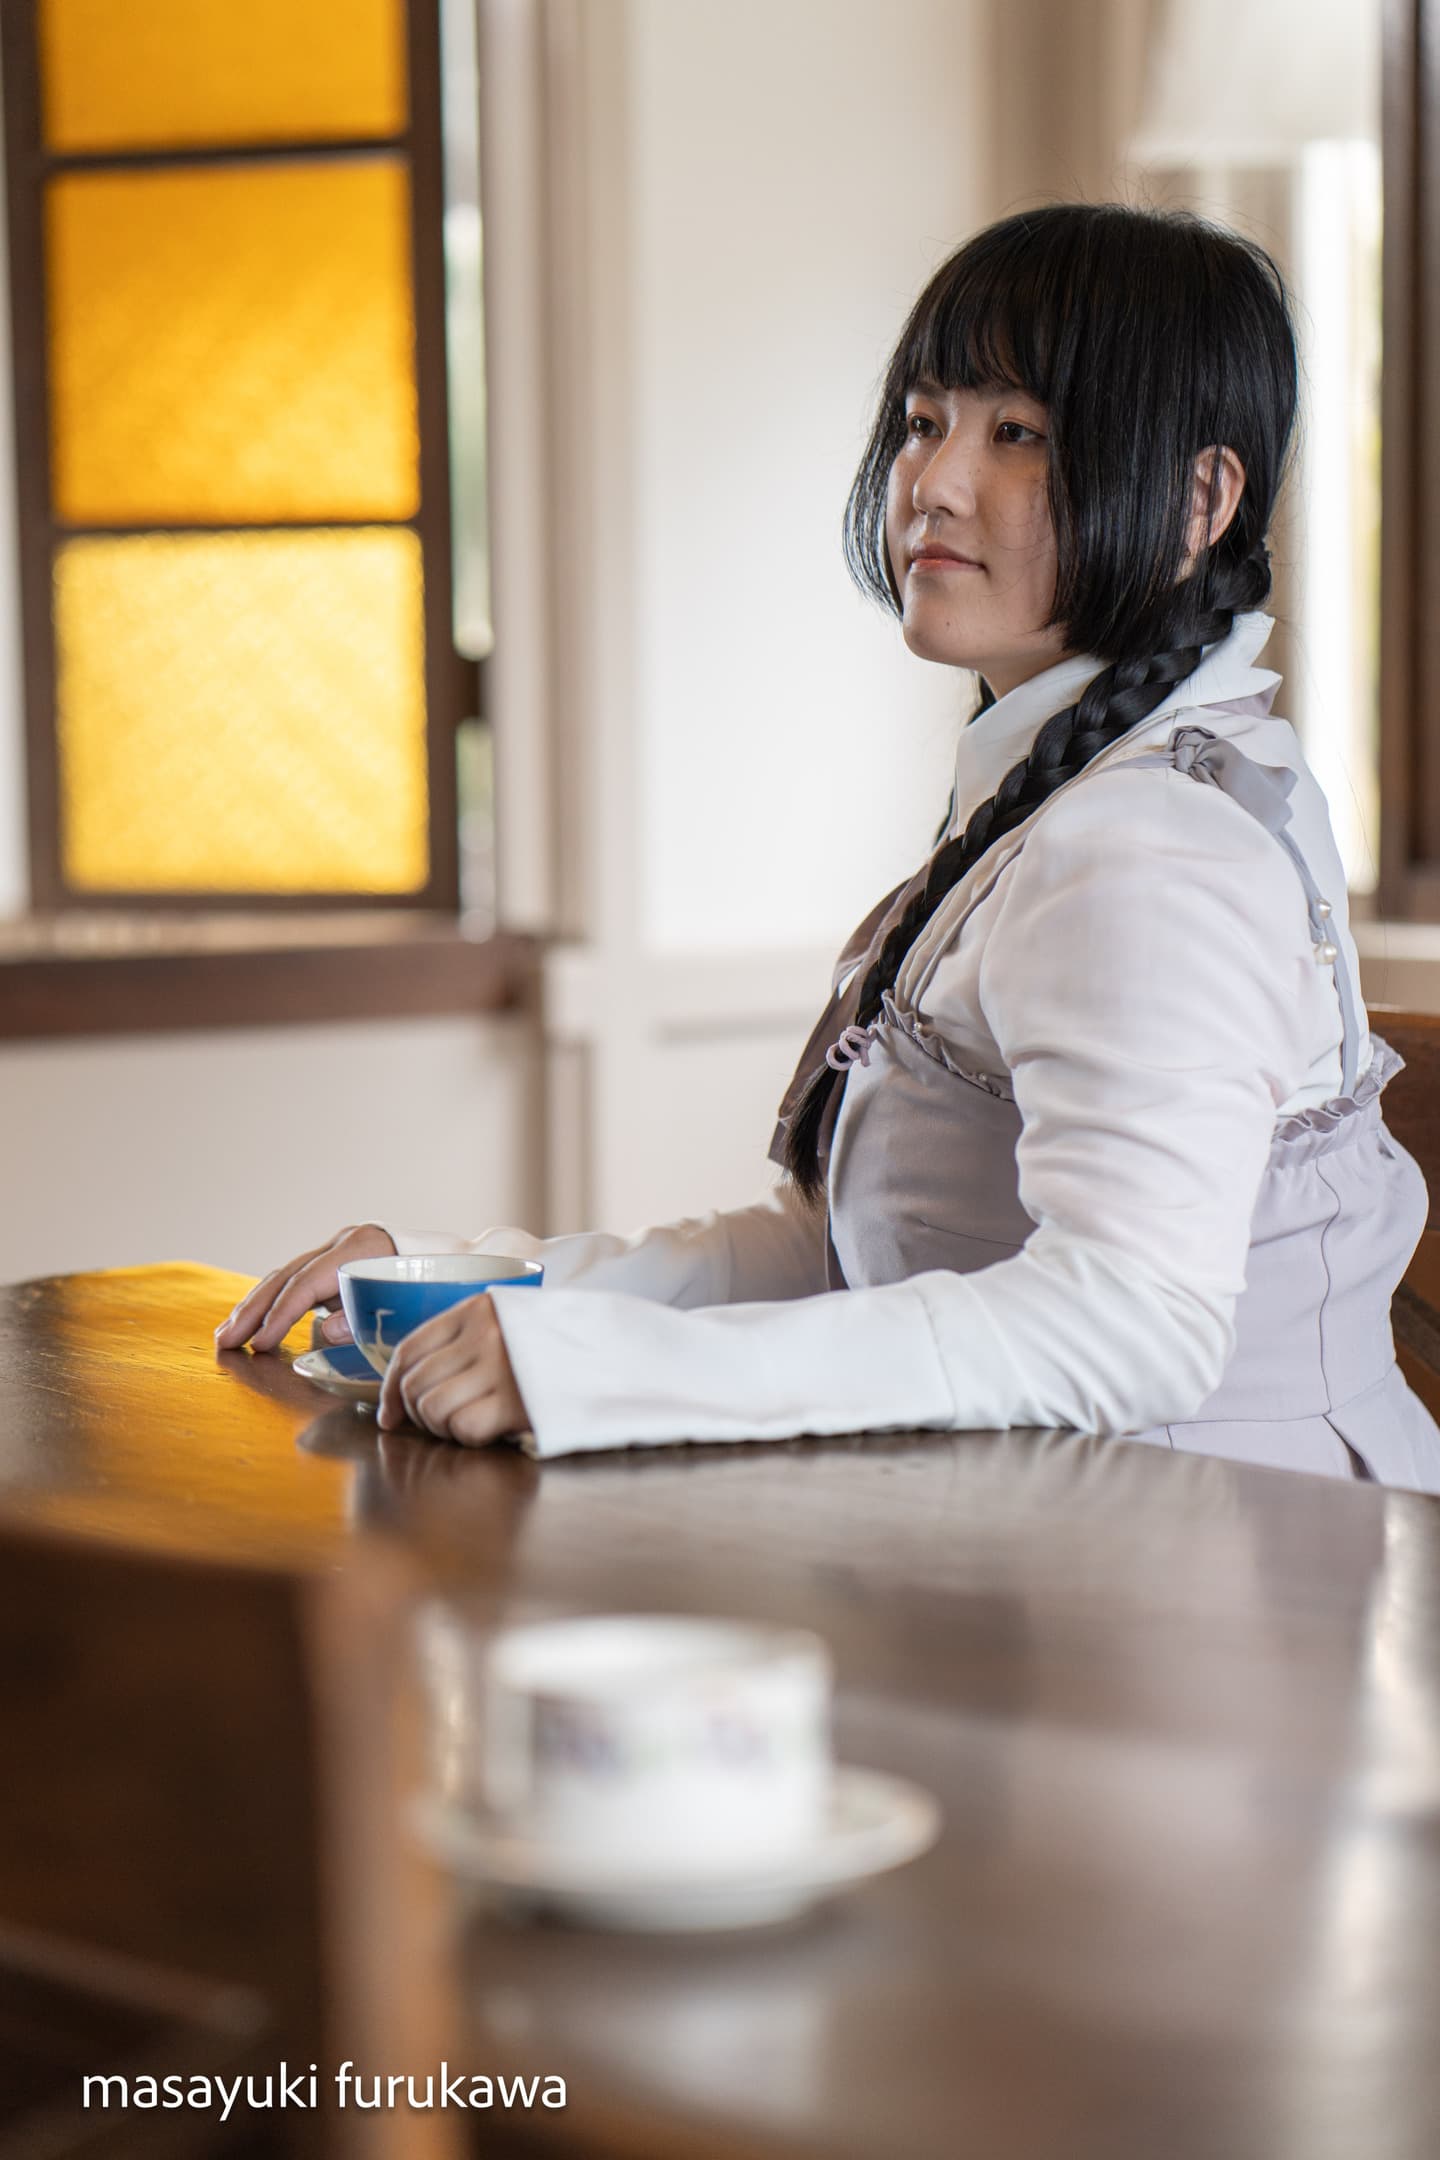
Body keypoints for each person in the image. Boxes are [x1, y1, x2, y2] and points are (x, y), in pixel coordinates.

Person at [216, 203, 1440, 1490]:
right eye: (924, 421)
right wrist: (482, 1290)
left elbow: (1131, 1325)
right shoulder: (1071, 795)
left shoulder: (1149, 849)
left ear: (1200, 499)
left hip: (1234, 1564)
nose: (936, 483)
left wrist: (607, 1373)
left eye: (1017, 433)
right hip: (1068, 1524)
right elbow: (857, 1250)